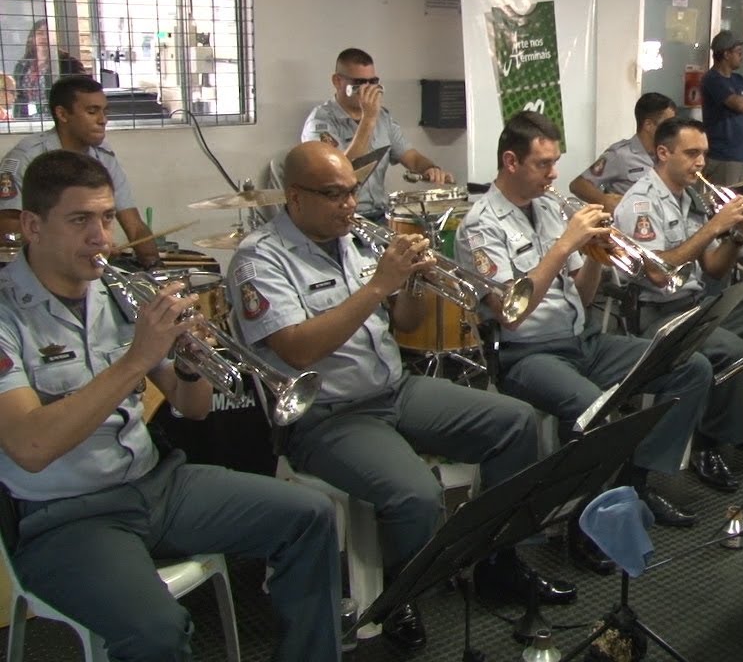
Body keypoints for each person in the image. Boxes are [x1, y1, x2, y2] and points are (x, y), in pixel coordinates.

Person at [0, 149, 343, 661]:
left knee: (311, 515)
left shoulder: (115, 292)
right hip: (66, 516)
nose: (102, 238)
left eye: (107, 217)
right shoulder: (7, 314)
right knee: (158, 631)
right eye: (80, 221)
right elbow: (30, 446)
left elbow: (194, 408)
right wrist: (138, 359)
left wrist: (187, 361)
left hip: (157, 484)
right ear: (32, 225)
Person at [230, 141, 565, 650]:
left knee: (515, 423)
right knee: (416, 496)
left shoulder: (357, 241)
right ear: (295, 198)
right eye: (333, 194)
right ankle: (397, 587)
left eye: (352, 192)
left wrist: (413, 281)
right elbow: (297, 351)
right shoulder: (258, 260)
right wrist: (375, 286)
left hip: (394, 388)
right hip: (328, 416)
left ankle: (497, 559)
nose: (349, 204)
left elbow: (405, 325)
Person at [455, 111, 711, 560]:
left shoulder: (550, 208)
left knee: (690, 365)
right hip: (527, 355)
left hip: (582, 340)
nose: (554, 174)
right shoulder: (480, 225)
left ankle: (635, 482)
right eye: (543, 164)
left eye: (556, 162)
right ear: (511, 162)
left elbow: (582, 292)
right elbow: (509, 313)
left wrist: (596, 255)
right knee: (595, 411)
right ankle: (586, 524)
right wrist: (565, 246)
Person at [613, 117, 743, 491]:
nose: (701, 162)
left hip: (699, 303)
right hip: (659, 314)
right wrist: (714, 228)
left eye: (704, 153)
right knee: (729, 349)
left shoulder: (690, 198)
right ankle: (708, 445)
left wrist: (735, 237)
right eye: (691, 153)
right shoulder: (640, 202)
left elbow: (714, 267)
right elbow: (657, 273)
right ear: (663, 153)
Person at [0, 76, 160, 268]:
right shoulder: (26, 157)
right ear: (62, 114)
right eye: (92, 111)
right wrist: (81, 244)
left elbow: (134, 225)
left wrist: (153, 264)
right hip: (34, 269)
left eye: (104, 111)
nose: (103, 120)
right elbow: (7, 229)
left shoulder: (104, 157)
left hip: (85, 267)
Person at [302, 48, 454, 220]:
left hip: (381, 213)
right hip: (342, 216)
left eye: (373, 81)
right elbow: (339, 174)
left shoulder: (382, 117)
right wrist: (368, 120)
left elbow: (411, 157)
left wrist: (430, 169)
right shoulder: (321, 122)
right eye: (359, 82)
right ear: (337, 81)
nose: (368, 89)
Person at [568, 92, 677, 212]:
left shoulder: (668, 154)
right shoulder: (620, 155)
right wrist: (604, 200)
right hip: (630, 226)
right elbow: (578, 185)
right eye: (667, 125)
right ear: (648, 125)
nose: (671, 131)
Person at [701, 31, 743, 188]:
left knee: (742, 200)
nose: (741, 57)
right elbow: (738, 105)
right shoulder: (712, 79)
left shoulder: (739, 79)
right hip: (724, 156)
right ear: (727, 54)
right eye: (738, 52)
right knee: (726, 202)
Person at [12, 19, 87, 119]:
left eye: (48, 33)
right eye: (40, 33)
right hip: (27, 121)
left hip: (58, 119)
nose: (44, 37)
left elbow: (83, 92)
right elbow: (18, 96)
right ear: (32, 38)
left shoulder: (68, 63)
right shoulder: (22, 66)